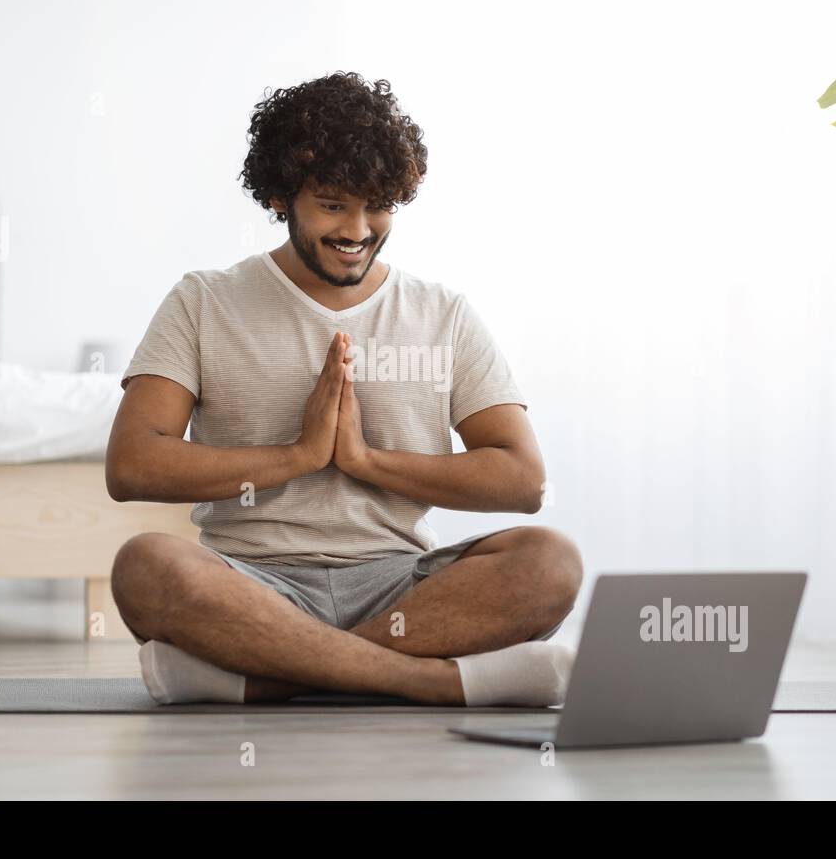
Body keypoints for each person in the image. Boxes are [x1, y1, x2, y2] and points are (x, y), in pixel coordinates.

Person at [106, 71, 582, 705]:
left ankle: (271, 678)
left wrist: (366, 462)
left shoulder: (443, 313)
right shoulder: (204, 300)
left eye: (377, 205)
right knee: (146, 568)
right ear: (281, 197)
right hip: (252, 581)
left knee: (551, 562)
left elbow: (524, 483)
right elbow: (132, 464)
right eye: (333, 204)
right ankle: (428, 682)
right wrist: (297, 458)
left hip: (401, 584)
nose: (358, 229)